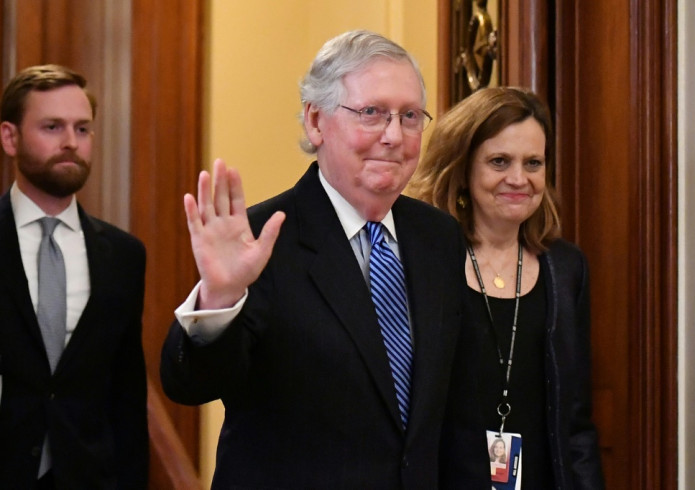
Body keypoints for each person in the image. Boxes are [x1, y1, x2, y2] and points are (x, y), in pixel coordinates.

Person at [160, 30, 490, 489]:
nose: (394, 136)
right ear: (316, 122)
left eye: (410, 116)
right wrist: (220, 297)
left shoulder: (438, 237)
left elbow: (459, 411)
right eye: (372, 113)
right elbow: (189, 386)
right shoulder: (260, 240)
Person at [408, 87, 605, 489]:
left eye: (533, 163)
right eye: (499, 161)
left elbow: (576, 423)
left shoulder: (566, 269)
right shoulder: (420, 263)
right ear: (463, 168)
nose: (519, 179)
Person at [0, 65, 149, 488]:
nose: (71, 142)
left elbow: (127, 395)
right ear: (10, 137)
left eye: (83, 129)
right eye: (52, 127)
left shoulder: (123, 255)